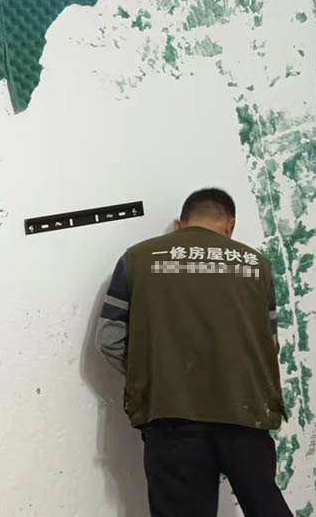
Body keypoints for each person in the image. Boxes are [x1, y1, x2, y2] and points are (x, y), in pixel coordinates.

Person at [96, 188, 292, 517]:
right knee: (265, 506)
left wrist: (157, 374)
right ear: (230, 226)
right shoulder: (256, 266)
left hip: (170, 415)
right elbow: (269, 343)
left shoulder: (138, 260)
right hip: (245, 413)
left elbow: (109, 340)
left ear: (179, 225)